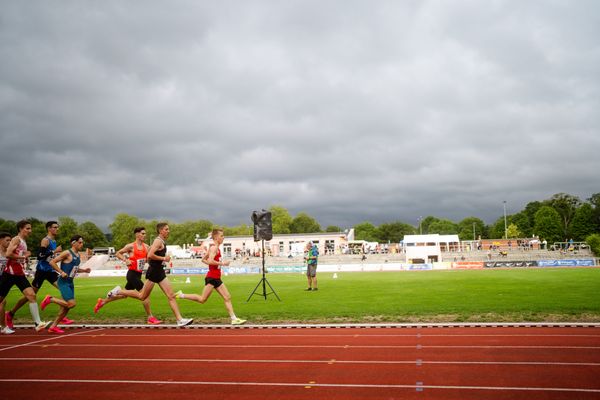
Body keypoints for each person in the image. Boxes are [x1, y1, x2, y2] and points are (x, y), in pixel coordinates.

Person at [107, 223, 192, 327]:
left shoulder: (159, 242)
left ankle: (180, 320)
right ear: (161, 231)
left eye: (168, 229)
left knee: (170, 295)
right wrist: (163, 258)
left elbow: (149, 255)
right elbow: (151, 255)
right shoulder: (158, 241)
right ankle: (118, 291)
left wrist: (156, 260)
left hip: (159, 271)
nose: (168, 231)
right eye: (166, 229)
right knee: (142, 296)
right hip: (154, 272)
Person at [6, 221, 74, 327]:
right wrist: (54, 251)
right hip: (41, 271)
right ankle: (11, 313)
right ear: (49, 229)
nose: (57, 229)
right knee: (30, 295)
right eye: (55, 227)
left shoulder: (54, 240)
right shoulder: (45, 240)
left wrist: (56, 255)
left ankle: (62, 316)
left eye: (57, 227)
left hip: (50, 271)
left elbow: (49, 257)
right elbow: (40, 256)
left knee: (63, 289)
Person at [175, 229, 246, 326]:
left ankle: (234, 319)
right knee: (202, 299)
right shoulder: (214, 248)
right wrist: (222, 263)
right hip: (212, 278)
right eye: (221, 236)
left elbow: (204, 260)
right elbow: (211, 261)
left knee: (227, 297)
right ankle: (181, 295)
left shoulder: (215, 248)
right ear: (216, 237)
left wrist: (214, 265)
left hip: (216, 277)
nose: (223, 237)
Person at [93, 227, 161, 325]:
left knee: (124, 296)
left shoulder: (146, 246)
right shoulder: (131, 246)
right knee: (144, 296)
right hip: (131, 274)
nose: (144, 235)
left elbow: (150, 256)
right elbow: (118, 253)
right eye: (142, 233)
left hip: (138, 274)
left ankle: (103, 302)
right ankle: (150, 317)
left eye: (145, 233)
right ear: (137, 234)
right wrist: (126, 260)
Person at [0, 220, 49, 332]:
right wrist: (24, 257)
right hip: (10, 274)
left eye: (30, 228)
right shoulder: (16, 239)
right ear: (20, 229)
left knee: (31, 295)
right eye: (27, 228)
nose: (30, 231)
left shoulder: (23, 241)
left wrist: (25, 255)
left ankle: (38, 323)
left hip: (19, 274)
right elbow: (8, 254)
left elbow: (17, 254)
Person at [42, 235, 91, 334]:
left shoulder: (78, 255)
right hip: (63, 282)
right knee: (71, 304)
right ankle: (50, 299)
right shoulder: (67, 253)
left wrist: (84, 270)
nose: (82, 244)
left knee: (66, 308)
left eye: (82, 242)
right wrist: (61, 272)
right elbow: (52, 262)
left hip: (70, 282)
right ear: (73, 243)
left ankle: (53, 327)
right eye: (80, 242)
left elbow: (74, 269)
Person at [0, 232, 15, 334]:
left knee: (2, 302)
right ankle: (3, 327)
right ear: (0, 240)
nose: (9, 242)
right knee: (2, 302)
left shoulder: (9, 253)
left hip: (2, 279)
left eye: (10, 240)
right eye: (7, 240)